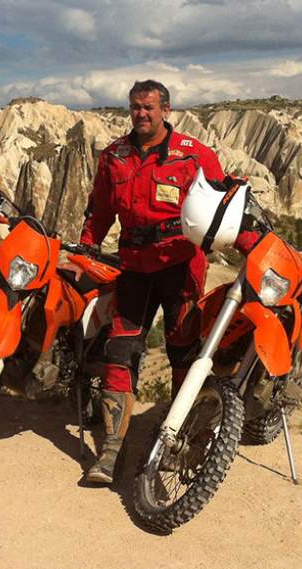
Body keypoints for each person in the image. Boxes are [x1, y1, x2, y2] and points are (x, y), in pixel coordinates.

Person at [79, 80, 257, 484]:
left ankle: (175, 441)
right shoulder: (115, 155)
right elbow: (101, 209)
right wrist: (86, 249)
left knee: (183, 353)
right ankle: (110, 451)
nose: (141, 114)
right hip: (133, 267)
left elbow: (223, 207)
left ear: (166, 110)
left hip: (181, 266)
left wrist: (252, 246)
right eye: (135, 107)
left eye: (149, 107)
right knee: (120, 351)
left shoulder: (194, 155)